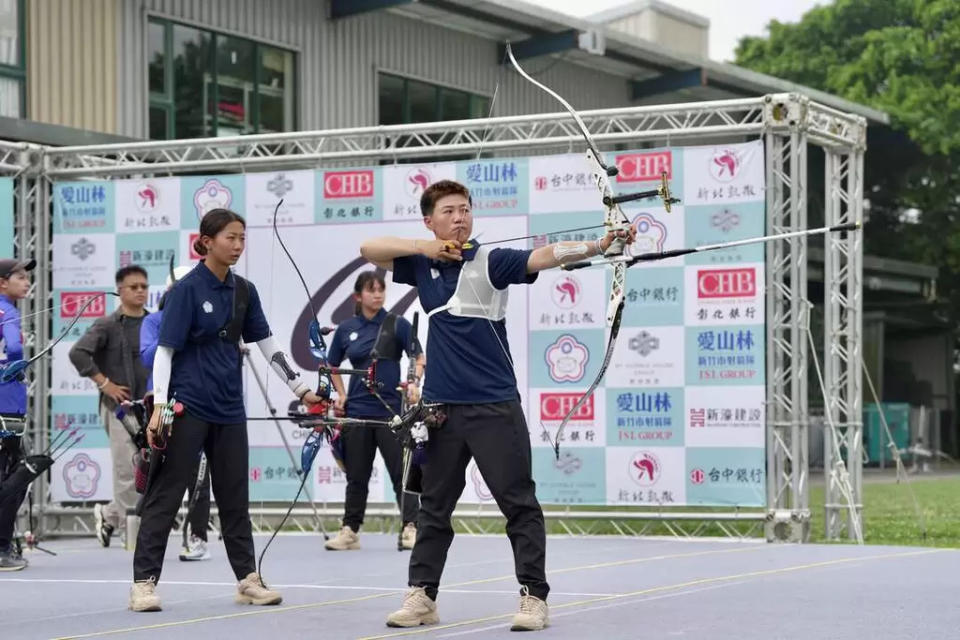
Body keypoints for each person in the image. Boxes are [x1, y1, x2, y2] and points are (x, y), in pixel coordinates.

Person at [360, 180, 635, 632]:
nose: (460, 217)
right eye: (448, 211)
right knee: (433, 509)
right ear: (430, 221)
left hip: (493, 406)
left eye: (465, 209)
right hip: (440, 410)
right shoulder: (420, 263)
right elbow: (370, 248)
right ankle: (422, 596)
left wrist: (601, 244)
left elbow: (545, 256)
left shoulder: (491, 259)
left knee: (519, 505)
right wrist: (427, 248)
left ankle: (533, 597)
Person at [129, 208, 323, 612]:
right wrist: (159, 408)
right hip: (186, 409)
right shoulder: (186, 290)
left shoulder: (244, 291)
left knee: (235, 498)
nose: (237, 245)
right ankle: (144, 584)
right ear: (206, 241)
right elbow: (165, 352)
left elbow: (268, 345)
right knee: (165, 497)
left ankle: (247, 579)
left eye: (242, 238)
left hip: (230, 410)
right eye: (229, 238)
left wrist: (301, 389)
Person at [324, 271, 424, 552]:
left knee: (400, 474)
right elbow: (332, 365)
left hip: (391, 412)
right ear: (358, 296)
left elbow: (419, 356)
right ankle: (350, 531)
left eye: (381, 289)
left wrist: (414, 383)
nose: (377, 294)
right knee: (357, 476)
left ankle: (409, 528)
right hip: (357, 412)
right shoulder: (346, 329)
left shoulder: (398, 324)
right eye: (371, 290)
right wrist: (341, 395)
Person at [69, 265, 150, 548]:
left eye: (144, 286)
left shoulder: (156, 323)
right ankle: (133, 536)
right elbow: (78, 353)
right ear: (119, 290)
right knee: (127, 469)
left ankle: (109, 514)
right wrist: (105, 384)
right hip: (119, 410)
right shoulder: (107, 324)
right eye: (133, 287)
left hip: (150, 409)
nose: (140, 291)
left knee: (148, 470)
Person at [140, 263, 212, 561]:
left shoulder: (208, 317)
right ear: (171, 292)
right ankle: (150, 541)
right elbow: (147, 356)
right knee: (161, 473)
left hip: (198, 401)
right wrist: (176, 330)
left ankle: (197, 537)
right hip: (163, 404)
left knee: (199, 473)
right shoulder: (154, 321)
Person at [0, 258, 35, 571]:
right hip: (7, 408)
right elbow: (12, 348)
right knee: (17, 476)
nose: (27, 282)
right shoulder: (7, 312)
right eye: (20, 277)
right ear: (2, 283)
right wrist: (16, 361)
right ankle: (2, 546)